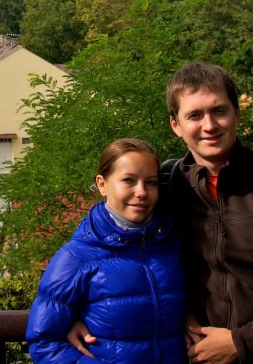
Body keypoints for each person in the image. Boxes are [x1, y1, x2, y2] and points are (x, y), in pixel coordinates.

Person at [69, 62, 253, 364]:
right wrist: (70, 312)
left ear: (236, 114)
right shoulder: (166, 186)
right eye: (194, 115)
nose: (209, 125)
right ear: (175, 125)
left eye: (219, 111)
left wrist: (241, 343)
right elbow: (103, 247)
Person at [26, 138, 186, 364]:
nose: (141, 192)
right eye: (128, 180)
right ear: (102, 184)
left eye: (151, 182)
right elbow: (44, 341)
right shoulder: (76, 257)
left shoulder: (172, 245)